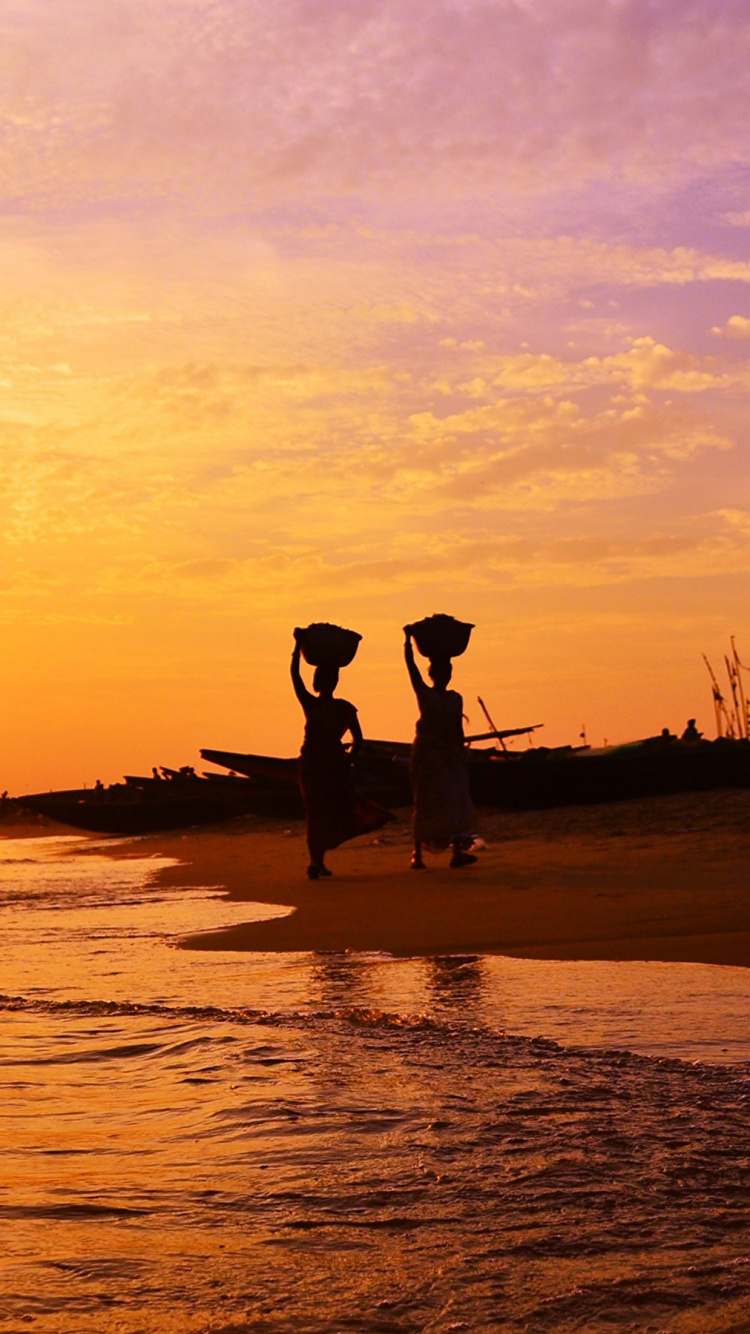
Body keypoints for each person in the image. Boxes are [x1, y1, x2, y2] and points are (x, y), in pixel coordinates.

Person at [291, 632, 392, 879]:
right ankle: (317, 862)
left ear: (317, 682)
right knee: (326, 812)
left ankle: (317, 861)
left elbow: (295, 677)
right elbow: (359, 741)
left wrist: (296, 647)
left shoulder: (314, 704)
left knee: (316, 814)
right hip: (328, 766)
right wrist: (348, 760)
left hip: (316, 766)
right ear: (334, 682)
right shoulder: (344, 708)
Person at [403, 625, 476, 869]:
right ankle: (417, 854)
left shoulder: (455, 698)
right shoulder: (426, 694)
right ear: (434, 674)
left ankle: (456, 852)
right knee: (426, 803)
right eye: (441, 671)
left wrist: (461, 751)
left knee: (455, 802)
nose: (445, 675)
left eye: (448, 671)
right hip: (429, 757)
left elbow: (457, 728)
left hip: (450, 755)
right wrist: (408, 641)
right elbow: (412, 671)